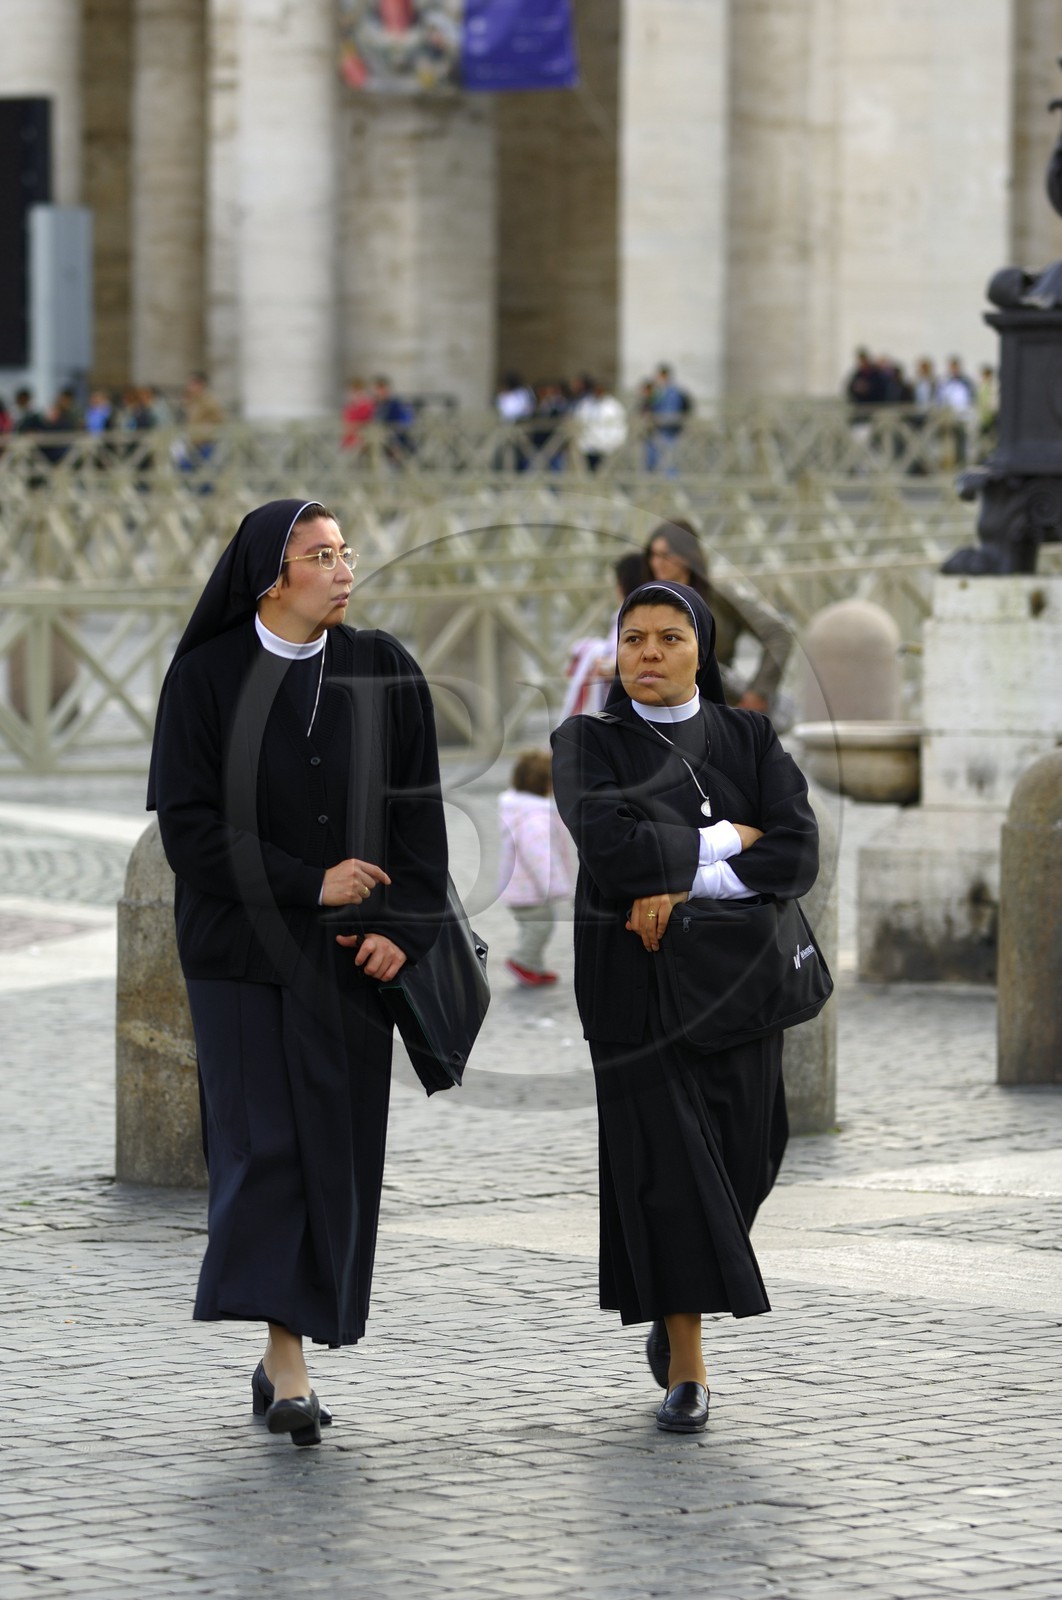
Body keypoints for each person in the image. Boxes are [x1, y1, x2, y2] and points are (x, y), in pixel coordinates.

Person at [148, 498, 448, 1447]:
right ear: (271, 576)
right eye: (322, 554)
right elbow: (190, 833)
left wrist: (407, 927)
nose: (344, 566)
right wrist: (306, 882)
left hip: (350, 962)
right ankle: (287, 1364)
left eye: (347, 550)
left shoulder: (384, 669)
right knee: (263, 1146)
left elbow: (420, 818)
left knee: (332, 1151)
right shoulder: (204, 679)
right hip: (239, 958)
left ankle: (291, 1341)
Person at [550, 579, 819, 1432]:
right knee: (672, 1174)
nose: (650, 655)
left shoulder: (748, 734)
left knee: (750, 1154)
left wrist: (684, 885)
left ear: (700, 649)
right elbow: (617, 856)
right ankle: (689, 1367)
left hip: (740, 987)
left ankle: (680, 1304)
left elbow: (800, 850)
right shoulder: (586, 742)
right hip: (635, 995)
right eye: (634, 640)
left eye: (669, 638)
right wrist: (729, 840)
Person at [644, 520, 792, 720]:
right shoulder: (649, 600)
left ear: (687, 556)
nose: (657, 563)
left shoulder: (719, 593)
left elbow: (778, 634)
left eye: (665, 555)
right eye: (653, 555)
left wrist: (759, 692)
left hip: (719, 710)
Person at [497, 749, 574, 987]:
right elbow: (540, 857)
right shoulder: (535, 818)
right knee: (541, 927)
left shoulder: (519, 809)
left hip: (520, 887)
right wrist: (556, 886)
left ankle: (535, 966)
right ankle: (523, 961)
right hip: (530, 891)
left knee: (533, 927)